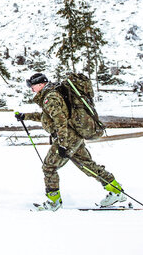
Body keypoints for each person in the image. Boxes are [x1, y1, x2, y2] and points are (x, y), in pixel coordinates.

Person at [15, 73, 126, 211]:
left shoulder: (50, 97)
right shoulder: (51, 94)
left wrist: (62, 144)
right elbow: (47, 117)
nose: (31, 89)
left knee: (49, 167)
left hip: (67, 138)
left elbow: (60, 121)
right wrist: (25, 116)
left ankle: (54, 202)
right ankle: (116, 191)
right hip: (73, 136)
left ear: (40, 84)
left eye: (32, 85)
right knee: (88, 165)